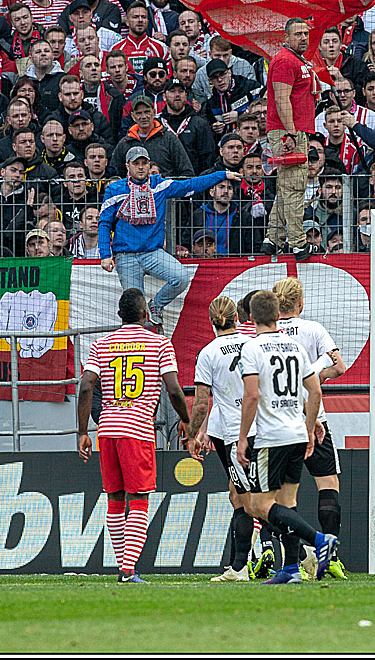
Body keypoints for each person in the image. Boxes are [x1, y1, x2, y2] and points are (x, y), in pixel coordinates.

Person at [76, 288, 191, 583]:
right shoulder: (160, 344)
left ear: (119, 316)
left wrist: (82, 432)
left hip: (107, 430)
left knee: (115, 498)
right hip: (137, 429)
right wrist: (187, 421)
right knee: (139, 498)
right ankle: (128, 570)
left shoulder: (101, 344)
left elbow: (87, 385)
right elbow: (174, 389)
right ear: (145, 314)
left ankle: (123, 568)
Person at [236, 290, 339, 584]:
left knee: (259, 505)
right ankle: (291, 568)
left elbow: (252, 395)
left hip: (272, 436)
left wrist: (244, 437)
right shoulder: (295, 346)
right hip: (297, 432)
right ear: (278, 315)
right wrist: (310, 426)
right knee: (288, 502)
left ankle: (319, 540)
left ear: (252, 317)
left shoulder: (253, 348)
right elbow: (315, 390)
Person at [98, 146, 241, 329]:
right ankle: (146, 347)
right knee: (135, 312)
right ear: (128, 166)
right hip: (126, 256)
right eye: (136, 164)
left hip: (153, 253)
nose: (141, 167)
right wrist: (105, 254)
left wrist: (221, 175)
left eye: (144, 163)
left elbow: (191, 185)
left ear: (149, 165)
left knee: (181, 277)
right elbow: (104, 222)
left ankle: (156, 305)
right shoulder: (115, 189)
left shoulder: (160, 185)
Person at [186, 296, 268, 582]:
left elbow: (201, 402)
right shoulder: (253, 344)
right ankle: (242, 564)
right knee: (241, 495)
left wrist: (191, 432)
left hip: (238, 434)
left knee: (249, 501)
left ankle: (304, 547)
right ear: (237, 318)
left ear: (211, 322)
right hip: (262, 427)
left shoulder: (208, 353)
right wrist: (206, 430)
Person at [274, 277, 348, 580]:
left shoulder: (266, 333)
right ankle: (329, 556)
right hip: (315, 418)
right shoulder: (314, 329)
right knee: (328, 484)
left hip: (279, 421)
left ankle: (291, 562)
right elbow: (339, 366)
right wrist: (314, 380)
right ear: (300, 304)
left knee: (280, 498)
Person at [264, 18, 320, 260]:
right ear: (285, 38)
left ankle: (272, 239)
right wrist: (291, 133)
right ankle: (298, 244)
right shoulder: (285, 61)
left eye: (306, 33)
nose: (303, 38)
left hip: (294, 130)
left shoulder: (297, 60)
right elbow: (281, 98)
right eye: (297, 34)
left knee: (286, 189)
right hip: (288, 132)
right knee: (296, 188)